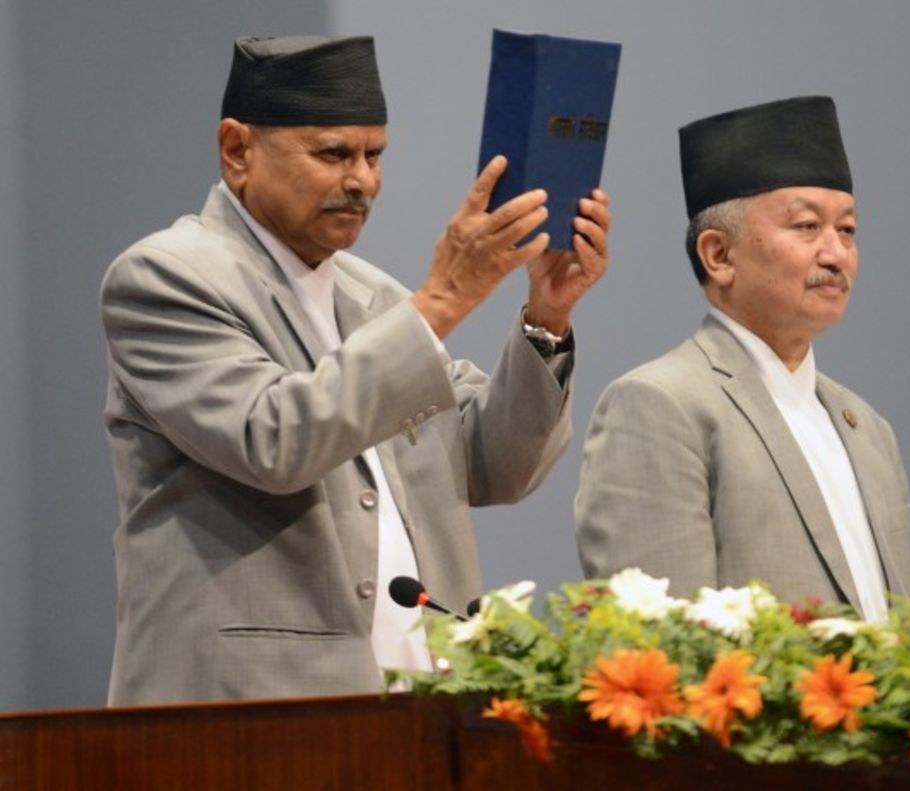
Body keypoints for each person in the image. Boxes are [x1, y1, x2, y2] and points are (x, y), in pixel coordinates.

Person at [100, 35, 609, 705]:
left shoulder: (379, 298)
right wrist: (443, 301)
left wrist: (547, 316)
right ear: (237, 149)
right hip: (243, 715)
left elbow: (495, 463)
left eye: (375, 155)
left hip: (419, 706)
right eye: (333, 152)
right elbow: (275, 439)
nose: (362, 180)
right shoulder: (166, 278)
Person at [575, 96, 910, 620]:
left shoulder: (868, 428)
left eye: (846, 230)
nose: (835, 253)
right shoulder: (661, 405)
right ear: (719, 254)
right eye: (807, 227)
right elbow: (664, 650)